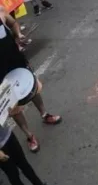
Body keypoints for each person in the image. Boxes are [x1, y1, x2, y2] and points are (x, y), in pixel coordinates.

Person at [0, 8, 62, 156]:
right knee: (12, 104)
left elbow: (13, 22)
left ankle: (45, 114)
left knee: (32, 88)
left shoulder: (0, 10)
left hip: (15, 59)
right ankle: (29, 135)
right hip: (0, 71)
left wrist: (19, 34)